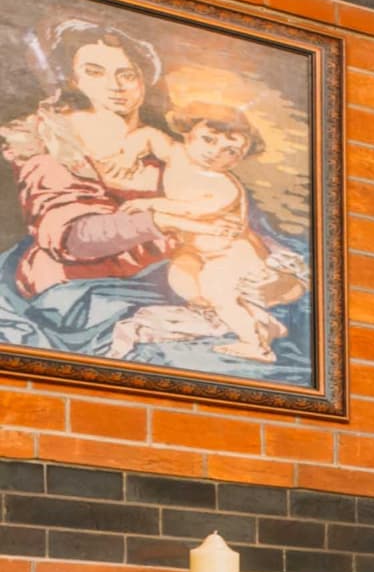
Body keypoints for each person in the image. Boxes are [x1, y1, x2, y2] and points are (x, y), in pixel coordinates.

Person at [106, 109, 297, 362]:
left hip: (229, 253)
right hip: (197, 250)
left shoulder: (223, 185)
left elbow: (194, 209)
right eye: (209, 139)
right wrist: (128, 155)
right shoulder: (176, 153)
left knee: (221, 298)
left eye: (230, 151)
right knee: (196, 290)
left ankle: (255, 345)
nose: (216, 152)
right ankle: (265, 324)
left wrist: (152, 204)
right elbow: (149, 135)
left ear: (237, 160)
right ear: (188, 133)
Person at [7, 21, 172, 299]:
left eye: (127, 74)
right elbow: (72, 238)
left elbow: (234, 216)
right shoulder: (50, 139)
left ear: (143, 80)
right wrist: (171, 221)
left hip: (169, 278)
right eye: (94, 73)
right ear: (74, 80)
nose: (115, 86)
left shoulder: (170, 146)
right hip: (80, 285)